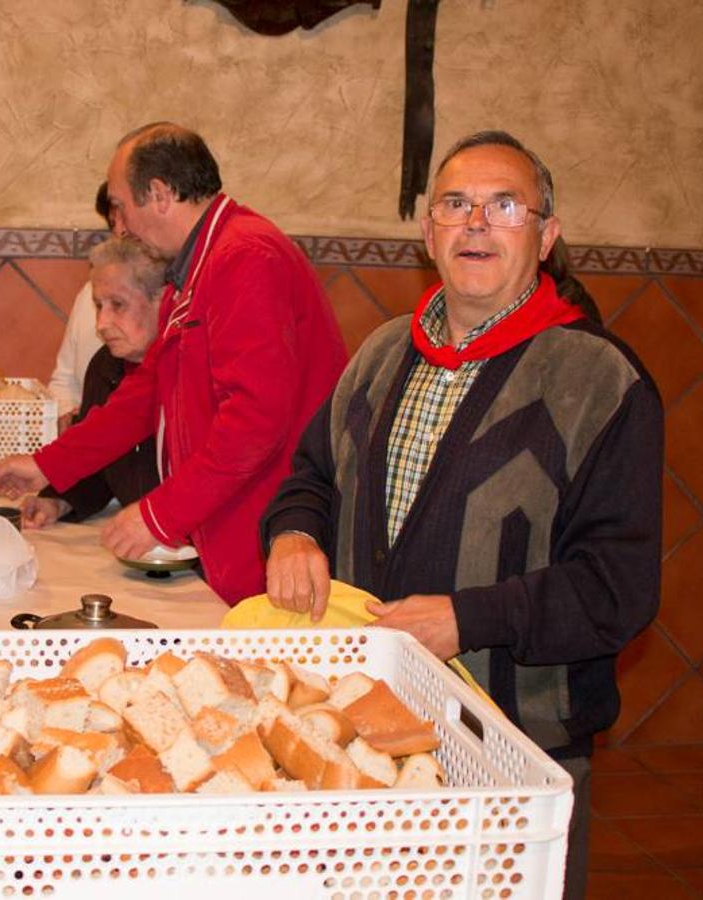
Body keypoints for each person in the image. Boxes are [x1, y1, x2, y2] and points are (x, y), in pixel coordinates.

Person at [259, 130, 662, 899]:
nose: (475, 222)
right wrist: (294, 532)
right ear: (427, 231)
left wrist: (466, 619)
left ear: (545, 237)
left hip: (511, 749)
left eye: (503, 205)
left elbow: (619, 586)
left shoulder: (599, 381)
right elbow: (309, 476)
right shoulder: (379, 354)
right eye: (454, 204)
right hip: (364, 735)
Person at [0, 122, 347, 604]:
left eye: (120, 204)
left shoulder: (245, 257)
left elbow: (254, 422)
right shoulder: (195, 268)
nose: (120, 223)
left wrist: (159, 514)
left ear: (158, 194)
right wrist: (47, 465)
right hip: (228, 522)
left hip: (265, 528)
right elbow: (146, 392)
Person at [22, 236, 165, 527]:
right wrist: (59, 501)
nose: (101, 323)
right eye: (99, 305)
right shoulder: (105, 365)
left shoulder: (190, 370)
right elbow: (99, 467)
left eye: (118, 305)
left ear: (161, 300)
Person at [46, 182, 112, 429]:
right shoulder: (88, 294)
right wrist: (64, 412)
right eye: (115, 222)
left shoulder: (168, 297)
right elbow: (64, 380)